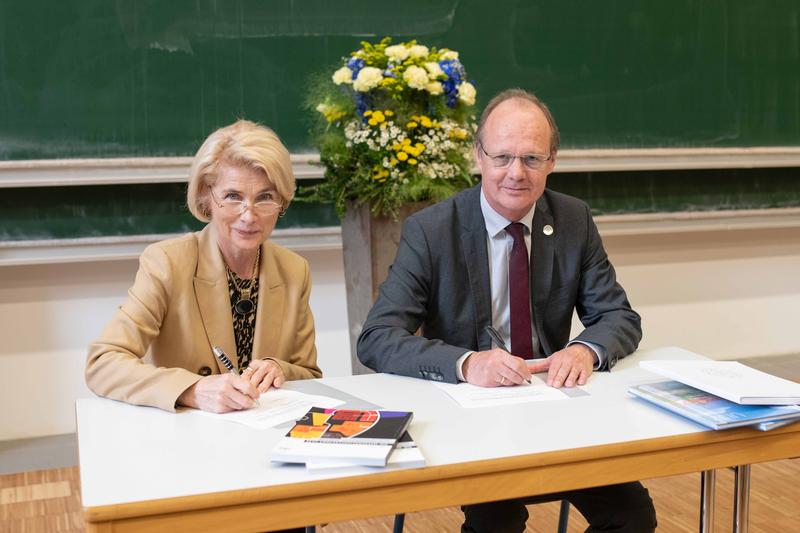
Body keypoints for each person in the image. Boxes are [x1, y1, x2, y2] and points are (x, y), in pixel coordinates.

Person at [357, 89, 656, 532]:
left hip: (555, 409)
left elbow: (619, 317)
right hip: (472, 417)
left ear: (552, 161)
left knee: (632, 516)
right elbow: (377, 337)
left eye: (532, 159)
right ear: (477, 157)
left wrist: (584, 351)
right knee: (497, 521)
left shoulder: (573, 219)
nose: (516, 173)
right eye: (502, 157)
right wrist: (467, 363)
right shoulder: (432, 230)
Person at [86, 119, 321, 414]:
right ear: (205, 199)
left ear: (282, 203)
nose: (249, 216)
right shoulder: (167, 262)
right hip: (188, 439)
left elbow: (310, 375)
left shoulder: (294, 270)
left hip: (267, 438)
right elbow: (103, 362)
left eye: (265, 198)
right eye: (232, 197)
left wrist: (278, 368)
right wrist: (191, 389)